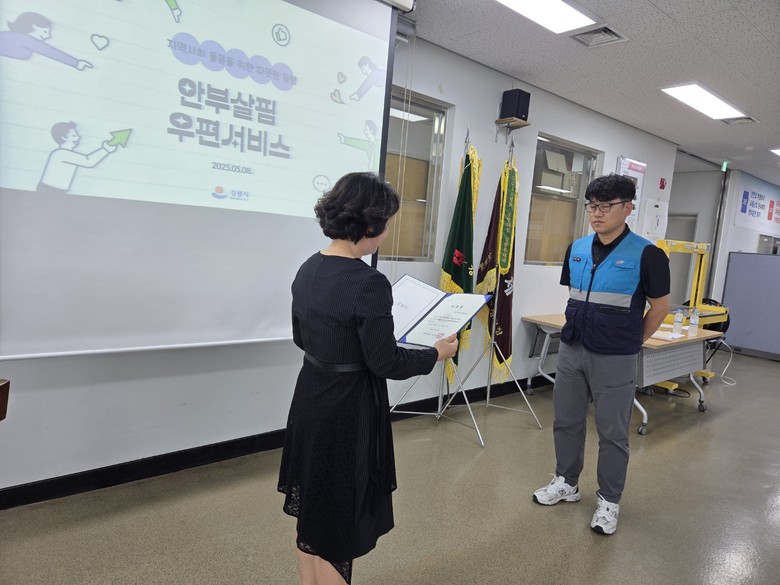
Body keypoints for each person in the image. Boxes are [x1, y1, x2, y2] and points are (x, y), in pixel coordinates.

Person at [277, 172, 458, 584]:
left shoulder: (308, 267)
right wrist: (435, 353)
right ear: (369, 224)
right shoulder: (367, 282)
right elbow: (385, 362)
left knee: (313, 510)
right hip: (347, 408)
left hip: (310, 396)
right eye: (386, 222)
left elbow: (301, 336)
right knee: (339, 519)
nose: (387, 232)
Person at [533, 173, 670, 535]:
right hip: (572, 349)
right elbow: (577, 296)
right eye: (592, 206)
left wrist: (633, 341)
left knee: (612, 433)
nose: (597, 213)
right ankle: (567, 482)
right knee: (566, 421)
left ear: (628, 208)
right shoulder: (577, 248)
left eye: (606, 206)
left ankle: (609, 500)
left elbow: (660, 307)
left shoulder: (648, 254)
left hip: (615, 357)